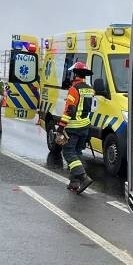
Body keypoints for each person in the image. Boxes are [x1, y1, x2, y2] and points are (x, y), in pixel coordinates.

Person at [55, 61, 96, 193]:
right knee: (77, 153)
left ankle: (83, 177)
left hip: (73, 127)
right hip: (85, 126)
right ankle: (74, 183)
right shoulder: (90, 89)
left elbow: (69, 110)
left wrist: (61, 127)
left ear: (75, 74)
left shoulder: (74, 89)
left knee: (68, 152)